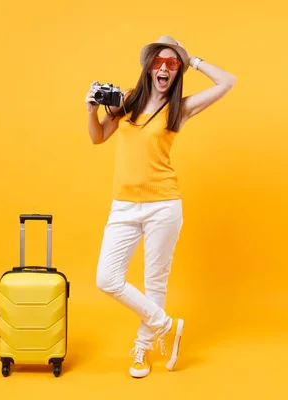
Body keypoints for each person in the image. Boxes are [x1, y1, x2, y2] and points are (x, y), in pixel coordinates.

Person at [85, 35, 237, 378]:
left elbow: (228, 81)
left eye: (171, 63)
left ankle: (142, 348)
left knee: (155, 281)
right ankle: (166, 326)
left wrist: (191, 57)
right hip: (123, 207)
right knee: (107, 279)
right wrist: (91, 110)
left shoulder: (179, 109)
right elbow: (97, 137)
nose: (164, 68)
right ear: (148, 67)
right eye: (158, 62)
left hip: (163, 205)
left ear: (178, 69)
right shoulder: (125, 102)